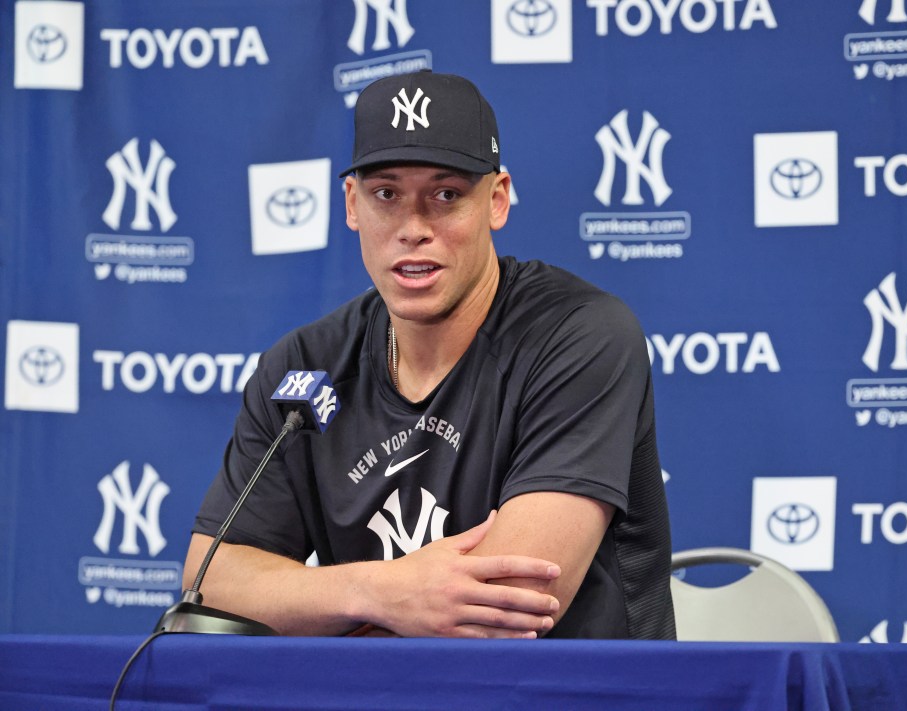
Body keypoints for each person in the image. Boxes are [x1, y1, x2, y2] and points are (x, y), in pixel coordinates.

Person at [186, 70, 675, 640]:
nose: (413, 228)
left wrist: (314, 607)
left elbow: (511, 602)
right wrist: (382, 592)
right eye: (386, 195)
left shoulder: (579, 336)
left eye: (446, 195)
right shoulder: (304, 368)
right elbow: (212, 582)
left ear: (496, 200)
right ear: (351, 204)